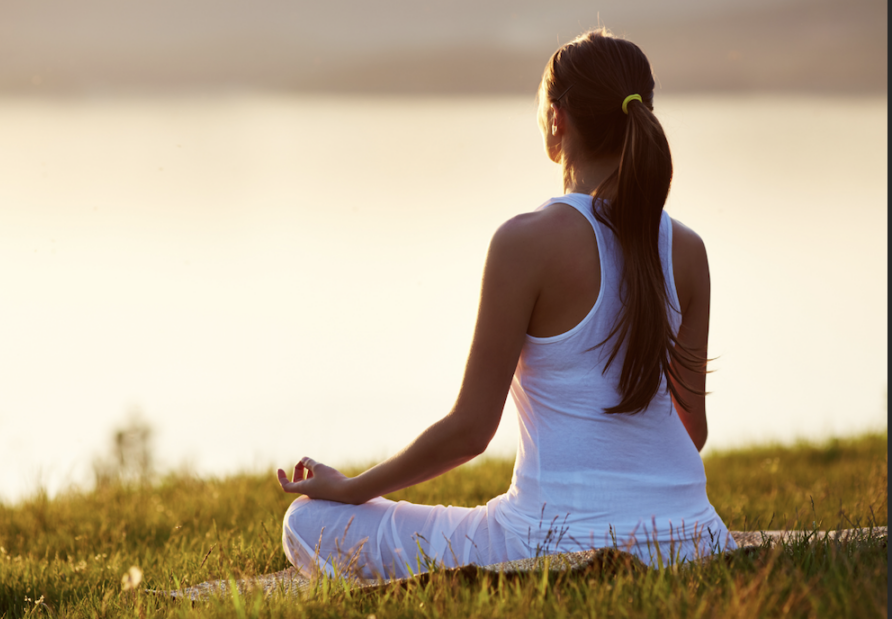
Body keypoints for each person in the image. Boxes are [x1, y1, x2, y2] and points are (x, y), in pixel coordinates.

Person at [276, 28, 734, 579]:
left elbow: (471, 431)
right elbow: (693, 432)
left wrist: (351, 488)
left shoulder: (525, 242)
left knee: (306, 521)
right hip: (697, 535)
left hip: (547, 541)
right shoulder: (687, 248)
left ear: (558, 121)